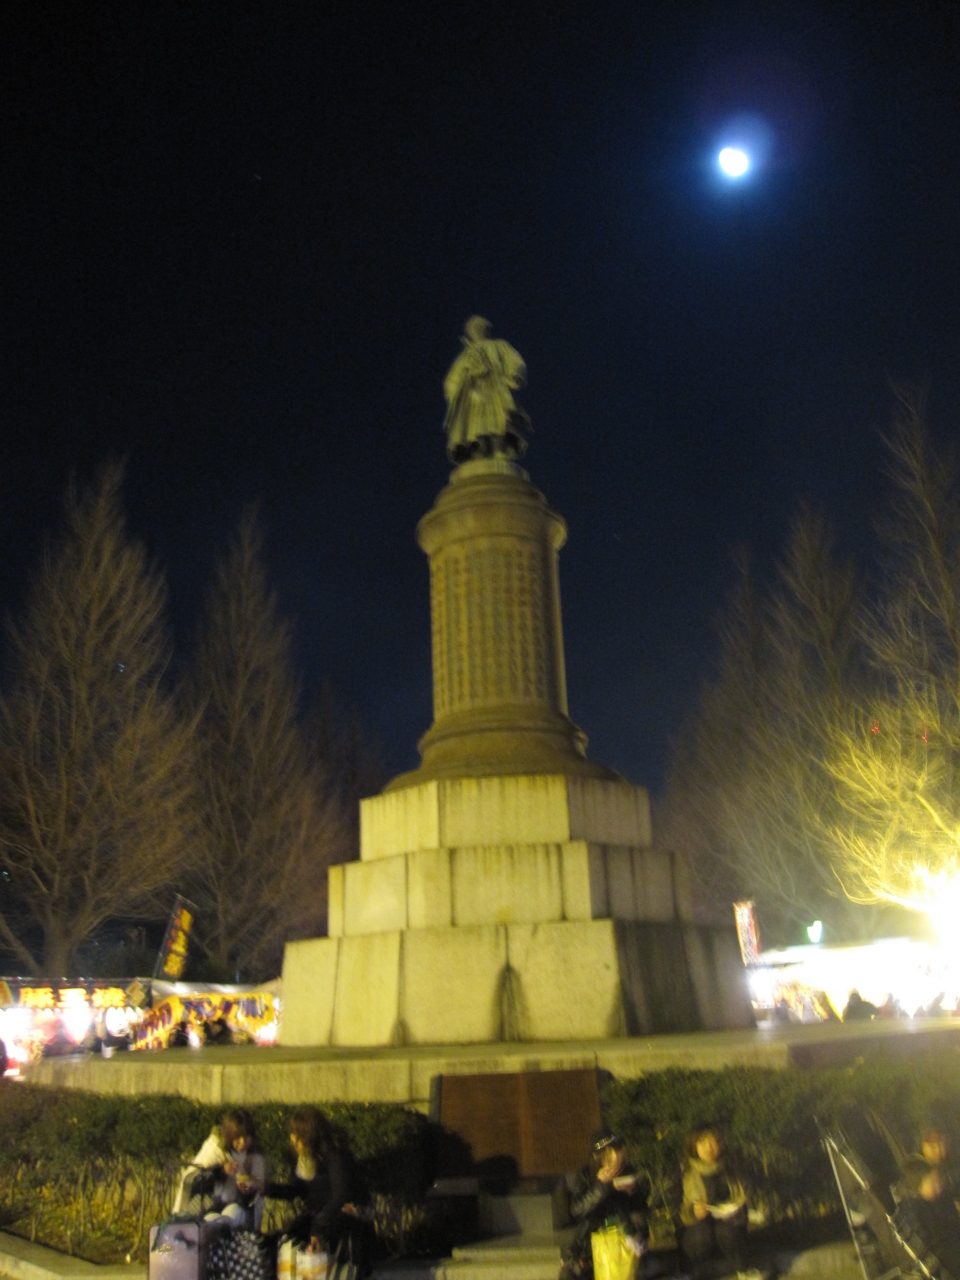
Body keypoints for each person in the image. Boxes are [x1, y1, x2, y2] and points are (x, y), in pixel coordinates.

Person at [266, 1106, 370, 1273]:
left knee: (322, 1242)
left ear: (310, 1136)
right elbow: (296, 1190)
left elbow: (340, 1195)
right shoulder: (302, 1157)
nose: (293, 1139)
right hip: (318, 1215)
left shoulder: (335, 1154)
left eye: (298, 1134)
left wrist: (318, 1229)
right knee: (289, 1239)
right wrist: (265, 1188)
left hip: (343, 1214)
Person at [560, 1128, 649, 1280]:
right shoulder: (586, 1176)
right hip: (588, 1249)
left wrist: (632, 1193)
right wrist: (601, 1186)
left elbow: (640, 1214)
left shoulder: (629, 1173)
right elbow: (576, 1209)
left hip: (621, 1250)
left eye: (616, 1150)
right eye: (606, 1155)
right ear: (596, 1157)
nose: (613, 1159)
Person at [679, 1126, 760, 1280]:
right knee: (699, 1235)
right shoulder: (686, 1172)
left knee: (728, 1231)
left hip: (728, 1224)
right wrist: (692, 1212)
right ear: (694, 1146)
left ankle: (743, 1269)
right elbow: (677, 1209)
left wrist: (739, 1211)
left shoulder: (732, 1168)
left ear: (722, 1144)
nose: (708, 1147)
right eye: (702, 1142)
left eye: (713, 1141)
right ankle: (690, 1273)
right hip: (699, 1228)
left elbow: (745, 1195)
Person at [174, 1108, 266, 1230]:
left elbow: (259, 1192)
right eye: (237, 1138)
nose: (242, 1143)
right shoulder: (215, 1148)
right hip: (208, 1208)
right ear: (229, 1136)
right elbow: (193, 1180)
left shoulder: (254, 1155)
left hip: (237, 1210)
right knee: (213, 1221)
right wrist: (221, 1171)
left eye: (246, 1137)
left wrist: (250, 1188)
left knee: (234, 1212)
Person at [893, 1157, 960, 1278]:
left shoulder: (941, 1195)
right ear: (917, 1187)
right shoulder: (913, 1210)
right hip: (944, 1262)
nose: (939, 1186)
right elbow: (932, 1247)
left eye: (938, 1180)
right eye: (933, 1183)